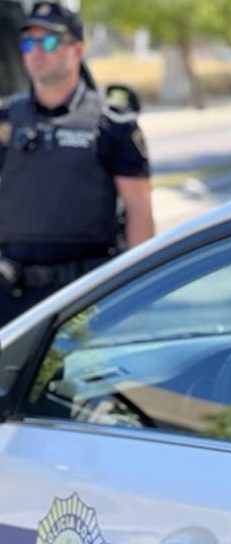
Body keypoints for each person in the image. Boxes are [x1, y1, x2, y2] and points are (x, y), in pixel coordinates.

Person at [0, 1, 155, 325]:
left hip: (85, 299)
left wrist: (140, 296)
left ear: (78, 49)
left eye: (50, 41)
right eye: (29, 42)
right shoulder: (6, 121)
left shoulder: (113, 123)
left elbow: (139, 211)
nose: (37, 51)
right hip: (10, 298)